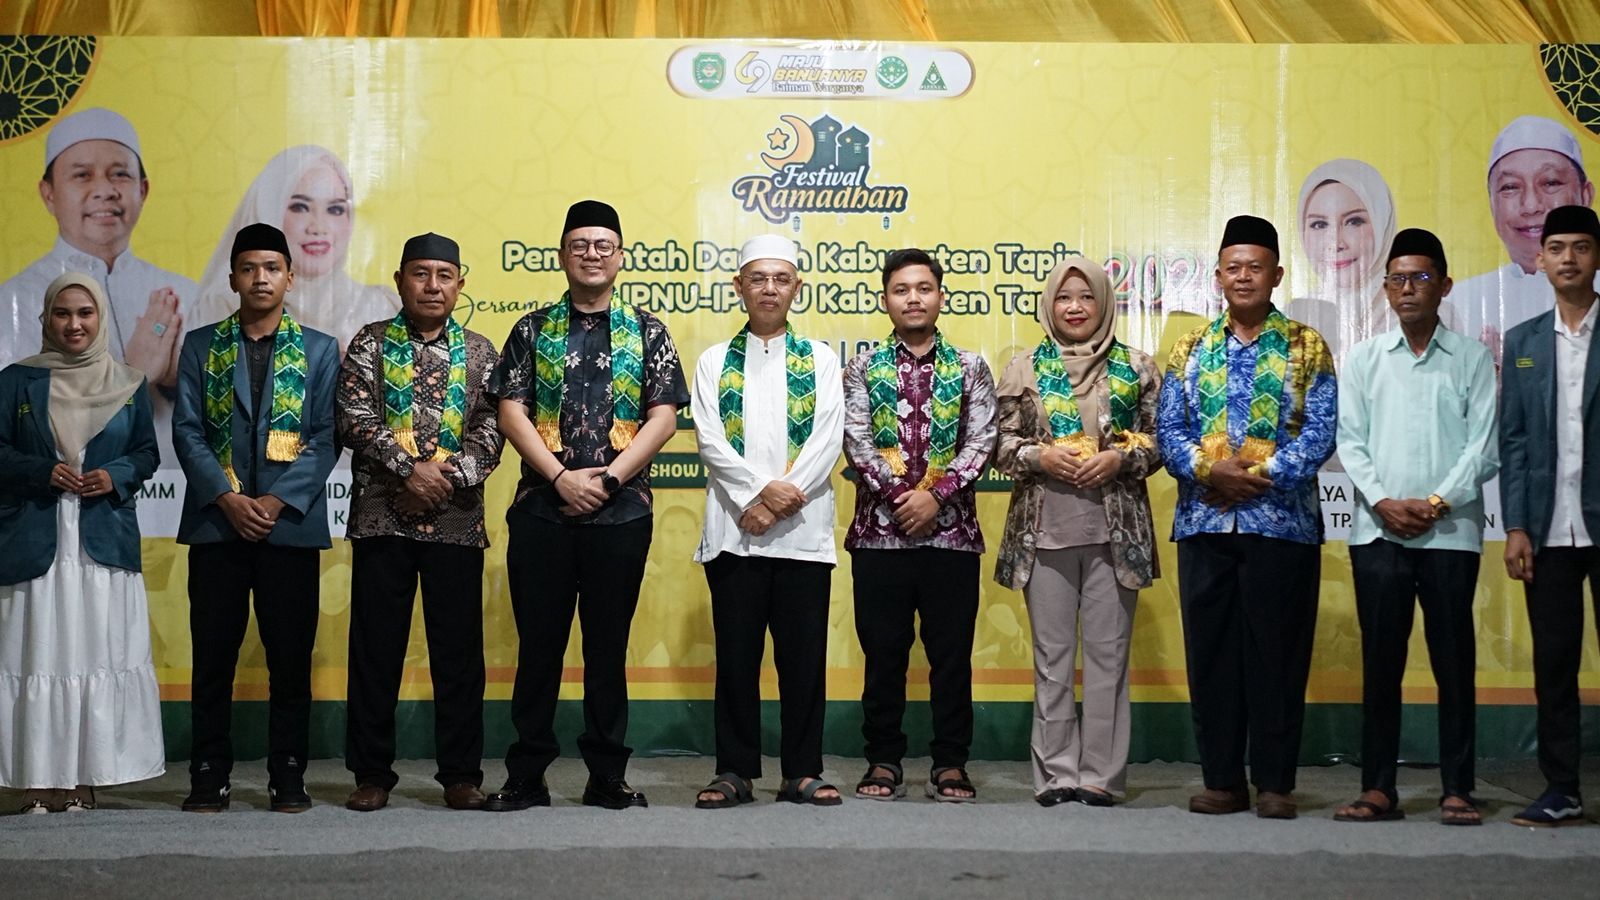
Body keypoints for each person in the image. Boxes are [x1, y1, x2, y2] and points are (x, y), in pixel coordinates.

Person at [485, 200, 688, 811]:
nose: (592, 254)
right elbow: (510, 411)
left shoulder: (649, 331)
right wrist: (559, 478)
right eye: (580, 245)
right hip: (541, 512)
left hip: (621, 515)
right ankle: (527, 776)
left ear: (620, 256)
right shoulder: (531, 329)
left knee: (607, 648)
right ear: (562, 255)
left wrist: (610, 480)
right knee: (539, 649)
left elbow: (663, 417)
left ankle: (606, 776)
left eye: (603, 245)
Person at [1157, 215, 1337, 820]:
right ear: (1217, 276)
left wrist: (1256, 475)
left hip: (1281, 525)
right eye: (1232, 267)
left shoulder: (1307, 346)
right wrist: (1211, 472)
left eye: (1254, 267)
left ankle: (1276, 783)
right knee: (1212, 658)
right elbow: (1168, 430)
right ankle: (1222, 781)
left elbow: (1320, 434)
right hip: (1205, 524)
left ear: (1276, 275)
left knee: (1277, 656)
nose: (1243, 277)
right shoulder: (1191, 348)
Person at [172, 223, 339, 813]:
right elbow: (187, 431)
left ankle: (288, 774)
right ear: (233, 278)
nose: (260, 278)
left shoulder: (320, 349)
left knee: (289, 659)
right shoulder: (201, 346)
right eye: (249, 268)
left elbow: (327, 436)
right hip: (217, 526)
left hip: (288, 527)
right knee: (213, 657)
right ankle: (208, 772)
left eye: (272, 268)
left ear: (290, 277)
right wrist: (227, 497)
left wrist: (274, 501)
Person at [1334, 229, 1498, 826]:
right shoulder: (1365, 359)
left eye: (1421, 278)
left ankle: (1458, 788)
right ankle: (1378, 787)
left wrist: (1434, 502)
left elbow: (1483, 448)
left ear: (1444, 286)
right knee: (1381, 663)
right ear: (1385, 289)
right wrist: (1382, 502)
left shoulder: (1472, 358)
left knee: (1454, 661)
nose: (1408, 289)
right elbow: (1350, 442)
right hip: (1378, 533)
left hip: (1450, 533)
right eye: (1398, 279)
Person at [336, 233, 503, 813]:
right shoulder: (370, 342)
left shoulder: (481, 352)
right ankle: (371, 774)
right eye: (420, 274)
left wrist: (440, 480)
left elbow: (492, 430)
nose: (433, 286)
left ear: (460, 283)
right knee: (375, 652)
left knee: (458, 655)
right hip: (383, 516)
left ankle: (460, 774)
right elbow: (353, 417)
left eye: (444, 275)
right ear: (400, 280)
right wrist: (409, 471)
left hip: (456, 522)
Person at [992, 256, 1161, 807]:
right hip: (1043, 536)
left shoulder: (1136, 367)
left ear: (1104, 303)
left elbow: (1161, 439)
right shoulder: (1023, 369)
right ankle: (1056, 773)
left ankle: (1101, 776)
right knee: (1052, 660)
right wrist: (1039, 456)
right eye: (1064, 297)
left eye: (1086, 297)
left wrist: (1121, 459)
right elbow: (999, 445)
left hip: (1116, 537)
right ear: (1049, 305)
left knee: (1109, 659)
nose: (1075, 307)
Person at [690, 234, 845, 809]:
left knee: (802, 662)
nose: (770, 289)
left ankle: (802, 771)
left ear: (797, 288)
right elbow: (710, 440)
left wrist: (777, 501)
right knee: (736, 660)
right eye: (758, 278)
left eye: (781, 279)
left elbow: (828, 439)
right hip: (734, 534)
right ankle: (734, 771)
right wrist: (757, 494)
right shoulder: (713, 361)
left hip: (802, 535)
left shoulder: (821, 360)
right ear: (739, 287)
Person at [0, 273, 163, 814]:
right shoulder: (16, 382)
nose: (74, 324)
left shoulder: (130, 383)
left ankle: (83, 778)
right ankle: (35, 779)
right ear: (46, 318)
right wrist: (40, 471)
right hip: (34, 538)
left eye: (85, 313)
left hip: (101, 540)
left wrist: (116, 475)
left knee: (96, 652)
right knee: (36, 653)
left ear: (101, 319)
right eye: (63, 313)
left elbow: (146, 453)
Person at [843, 248, 997, 803]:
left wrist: (935, 497)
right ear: (886, 300)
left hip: (951, 538)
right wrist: (899, 498)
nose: (914, 298)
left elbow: (982, 441)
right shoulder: (862, 368)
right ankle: (882, 760)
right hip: (879, 536)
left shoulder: (971, 368)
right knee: (883, 656)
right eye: (902, 289)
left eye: (924, 288)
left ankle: (951, 763)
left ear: (940, 297)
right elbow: (857, 442)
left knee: (951, 658)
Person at [1501, 204, 1600, 827]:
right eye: (1557, 247)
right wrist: (1516, 525)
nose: (1568, 258)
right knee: (1554, 665)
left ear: (1597, 257)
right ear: (1539, 260)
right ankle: (1562, 788)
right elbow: (1512, 441)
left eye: (1581, 247)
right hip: (1547, 528)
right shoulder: (1524, 342)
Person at [0, 108, 194, 384]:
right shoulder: (13, 303)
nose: (105, 191)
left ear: (142, 191)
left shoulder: (187, 294)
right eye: (82, 175)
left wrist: (177, 381)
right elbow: (28, 407)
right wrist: (135, 373)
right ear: (49, 194)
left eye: (120, 174)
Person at [192, 146, 400, 357]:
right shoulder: (221, 307)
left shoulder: (380, 307)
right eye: (300, 207)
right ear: (268, 210)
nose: (319, 227)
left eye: (335, 209)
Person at [1451, 116, 1597, 362]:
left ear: (1585, 195)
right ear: (1492, 204)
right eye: (1510, 187)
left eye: (1550, 182)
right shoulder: (1457, 301)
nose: (1531, 206)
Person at [1283, 159, 1398, 365]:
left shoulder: (1421, 315)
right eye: (1319, 225)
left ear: (1383, 223)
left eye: (1354, 221)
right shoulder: (1291, 319)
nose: (1335, 243)